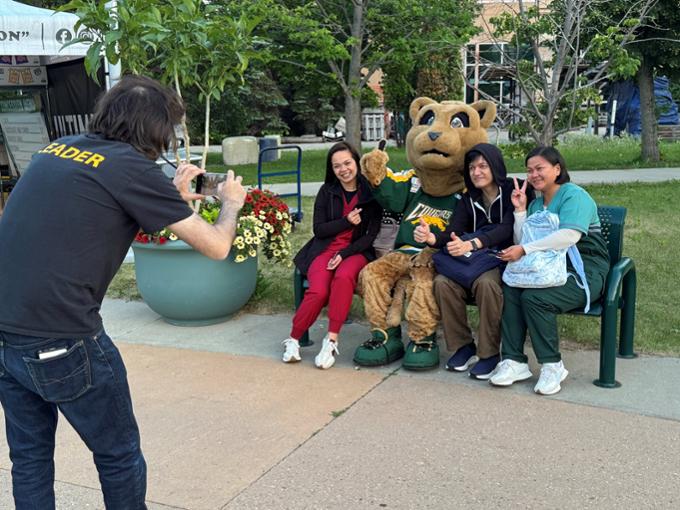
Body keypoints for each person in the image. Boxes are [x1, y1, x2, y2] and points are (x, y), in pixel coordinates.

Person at [0, 75, 247, 509]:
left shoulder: (58, 149)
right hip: (62, 338)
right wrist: (231, 202)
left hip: (6, 332)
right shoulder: (133, 170)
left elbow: (94, 202)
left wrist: (168, 197)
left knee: (30, 459)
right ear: (155, 129)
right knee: (118, 455)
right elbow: (217, 246)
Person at [490, 146, 610, 395]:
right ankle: (514, 361)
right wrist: (521, 211)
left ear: (557, 169)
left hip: (583, 270)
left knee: (536, 299)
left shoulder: (574, 196)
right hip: (544, 268)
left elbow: (568, 236)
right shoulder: (535, 204)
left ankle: (552, 365)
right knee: (511, 288)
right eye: (529, 170)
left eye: (539, 168)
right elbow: (524, 238)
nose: (533, 174)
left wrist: (524, 249)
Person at [415, 143, 531, 379]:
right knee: (443, 283)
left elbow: (507, 229)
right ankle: (464, 346)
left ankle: (489, 354)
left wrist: (474, 243)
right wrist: (431, 237)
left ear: (495, 166)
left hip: (506, 258)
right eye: (472, 168)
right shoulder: (469, 199)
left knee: (486, 284)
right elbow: (454, 232)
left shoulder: (513, 189)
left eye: (483, 166)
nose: (476, 172)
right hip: (475, 261)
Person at [282, 142, 382, 369]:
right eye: (337, 166)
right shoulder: (327, 192)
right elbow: (319, 230)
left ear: (356, 162)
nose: (343, 169)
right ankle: (294, 339)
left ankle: (331, 340)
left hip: (356, 252)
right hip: (324, 250)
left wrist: (345, 253)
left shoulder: (371, 193)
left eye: (347, 163)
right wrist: (346, 222)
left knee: (343, 277)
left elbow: (370, 235)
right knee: (318, 291)